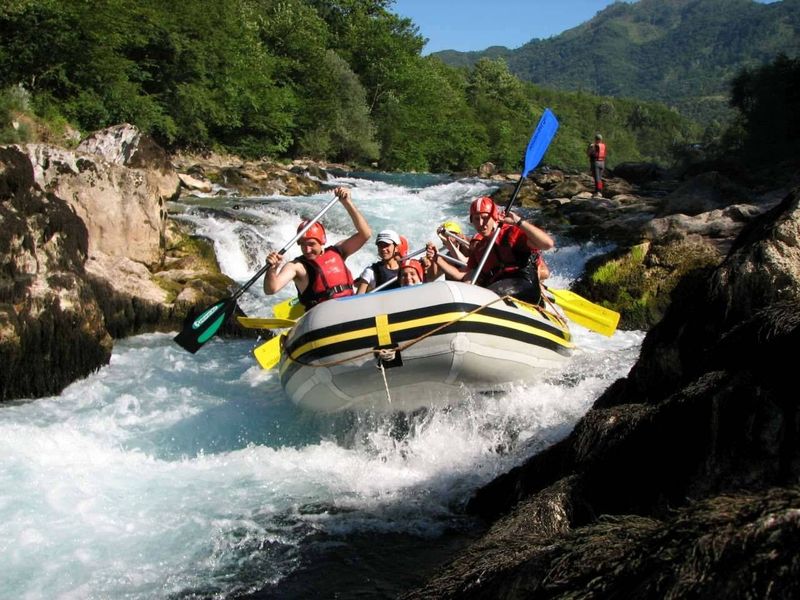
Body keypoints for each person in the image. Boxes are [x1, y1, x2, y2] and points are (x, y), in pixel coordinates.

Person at [427, 196, 554, 304]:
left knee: (490, 294)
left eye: (485, 217)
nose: (481, 223)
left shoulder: (512, 233)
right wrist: (436, 258)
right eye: (476, 219)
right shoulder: (480, 248)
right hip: (498, 289)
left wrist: (518, 221)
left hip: (524, 284)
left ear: (494, 217)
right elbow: (462, 275)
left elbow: (547, 244)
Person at [263, 187, 371, 310]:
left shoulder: (338, 251)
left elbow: (365, 234)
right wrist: (272, 269)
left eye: (311, 244)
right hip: (322, 317)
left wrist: (347, 203)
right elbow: (271, 289)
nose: (307, 249)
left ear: (322, 241)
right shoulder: (297, 266)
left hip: (349, 309)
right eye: (302, 244)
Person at [587, 133, 606, 199]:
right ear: (601, 139)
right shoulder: (603, 146)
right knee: (599, 179)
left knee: (597, 179)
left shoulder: (594, 146)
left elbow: (589, 154)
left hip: (596, 163)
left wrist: (590, 147)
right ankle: (599, 192)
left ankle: (598, 192)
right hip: (602, 163)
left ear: (596, 139)